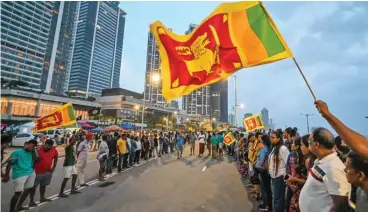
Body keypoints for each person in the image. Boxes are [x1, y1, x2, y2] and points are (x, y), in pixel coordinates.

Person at [299, 127, 350, 212]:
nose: (308, 144)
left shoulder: (333, 167)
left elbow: (341, 203)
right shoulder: (322, 161)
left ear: (316, 144)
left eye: (309, 142)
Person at [3, 139, 38, 212]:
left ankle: (19, 206)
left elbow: (36, 160)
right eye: (30, 145)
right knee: (18, 193)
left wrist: (33, 150)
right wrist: (6, 175)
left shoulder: (33, 152)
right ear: (26, 144)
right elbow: (9, 164)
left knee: (27, 190)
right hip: (20, 174)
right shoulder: (17, 152)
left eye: (33, 146)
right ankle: (12, 210)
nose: (31, 147)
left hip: (30, 173)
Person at [29, 139, 58, 207]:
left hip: (47, 171)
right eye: (46, 145)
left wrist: (54, 166)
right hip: (37, 172)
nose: (46, 147)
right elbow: (33, 159)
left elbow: (56, 157)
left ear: (51, 146)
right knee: (33, 187)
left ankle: (42, 198)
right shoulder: (38, 149)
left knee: (43, 185)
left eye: (48, 146)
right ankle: (31, 201)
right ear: (44, 144)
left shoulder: (54, 150)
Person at [268, 130, 290, 212]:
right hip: (273, 176)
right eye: (270, 137)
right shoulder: (274, 148)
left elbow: (288, 163)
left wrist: (285, 175)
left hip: (280, 177)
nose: (271, 139)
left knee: (278, 198)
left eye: (273, 137)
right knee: (276, 197)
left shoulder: (283, 149)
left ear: (278, 138)